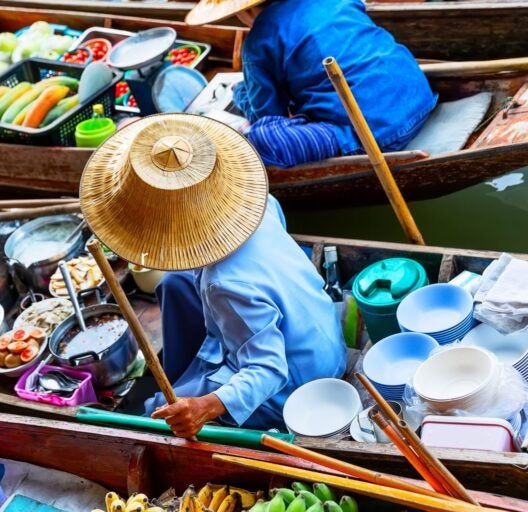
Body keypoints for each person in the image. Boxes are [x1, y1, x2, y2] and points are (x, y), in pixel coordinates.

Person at [79, 113, 346, 439]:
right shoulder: (258, 203)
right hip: (315, 330)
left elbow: (268, 369)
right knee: (175, 283)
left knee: (157, 410)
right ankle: (182, 375)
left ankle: (179, 391)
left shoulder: (225, 284)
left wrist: (204, 406)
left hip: (302, 381)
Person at [185, 0, 437, 169]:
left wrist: (243, 96)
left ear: (247, 11)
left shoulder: (259, 39)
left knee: (263, 136)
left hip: (374, 134)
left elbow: (267, 115)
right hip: (420, 95)